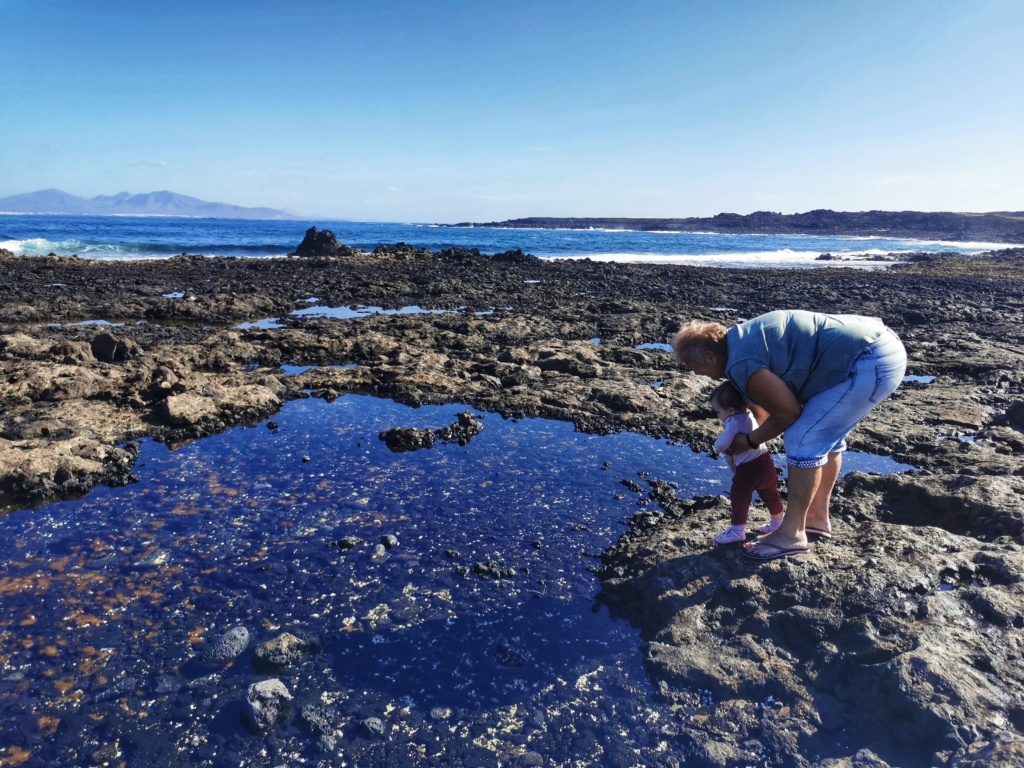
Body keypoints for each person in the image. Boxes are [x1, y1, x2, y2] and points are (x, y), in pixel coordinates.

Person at [672, 310, 906, 560]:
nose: (695, 373)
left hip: (868, 360)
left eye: (692, 366)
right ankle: (815, 518)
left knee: (803, 438)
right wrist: (747, 438)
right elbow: (766, 410)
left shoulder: (740, 364)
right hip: (879, 347)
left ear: (709, 355)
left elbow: (787, 413)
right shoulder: (739, 342)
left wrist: (748, 441)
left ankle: (792, 535)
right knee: (827, 438)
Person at [709, 381, 784, 544]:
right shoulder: (749, 415)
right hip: (766, 461)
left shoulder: (734, 422)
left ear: (730, 410)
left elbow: (720, 445)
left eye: (718, 412)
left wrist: (723, 448)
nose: (717, 416)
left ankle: (737, 531)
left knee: (739, 498)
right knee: (771, 494)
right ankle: (778, 523)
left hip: (749, 468)